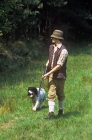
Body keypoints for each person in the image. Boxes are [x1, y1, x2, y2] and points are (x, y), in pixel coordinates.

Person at [42, 29, 68, 119]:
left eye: (53, 37)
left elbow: (59, 66)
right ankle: (51, 114)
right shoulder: (51, 47)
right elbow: (51, 58)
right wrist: (48, 63)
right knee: (51, 94)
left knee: (60, 94)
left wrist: (47, 73)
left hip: (60, 76)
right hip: (52, 75)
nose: (51, 38)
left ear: (57, 38)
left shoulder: (64, 51)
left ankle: (61, 111)